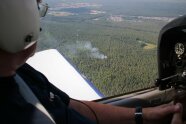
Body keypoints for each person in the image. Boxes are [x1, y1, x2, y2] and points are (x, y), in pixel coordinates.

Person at [0, 0, 184, 124]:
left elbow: (73, 107)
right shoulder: (15, 113)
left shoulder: (21, 73)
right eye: (37, 6)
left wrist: (143, 114)